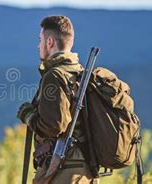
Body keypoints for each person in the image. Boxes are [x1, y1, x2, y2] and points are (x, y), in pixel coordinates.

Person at [17, 15, 99, 183]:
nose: (38, 45)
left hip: (63, 171)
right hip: (84, 172)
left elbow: (53, 126)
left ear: (50, 42)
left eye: (40, 40)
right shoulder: (80, 73)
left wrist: (28, 115)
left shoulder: (55, 76)